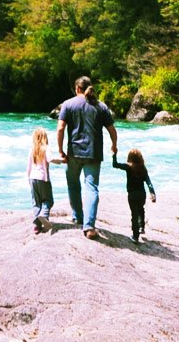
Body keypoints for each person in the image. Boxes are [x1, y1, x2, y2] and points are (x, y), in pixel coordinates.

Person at [55, 76, 117, 239]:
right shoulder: (101, 106)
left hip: (74, 152)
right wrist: (114, 145)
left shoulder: (68, 104)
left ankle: (77, 217)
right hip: (94, 154)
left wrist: (61, 150)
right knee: (92, 188)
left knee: (73, 184)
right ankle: (89, 226)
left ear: (77, 89)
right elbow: (112, 130)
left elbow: (60, 129)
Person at [112, 149, 156, 243]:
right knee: (141, 209)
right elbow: (149, 182)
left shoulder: (128, 167)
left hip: (132, 195)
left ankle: (135, 236)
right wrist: (152, 194)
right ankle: (142, 227)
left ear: (130, 158)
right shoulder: (143, 168)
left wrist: (114, 154)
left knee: (134, 214)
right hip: (142, 194)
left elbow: (114, 165)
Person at [27, 127, 57, 233]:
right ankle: (43, 215)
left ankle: (37, 226)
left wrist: (28, 179)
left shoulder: (32, 149)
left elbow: (28, 167)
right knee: (48, 200)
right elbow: (51, 159)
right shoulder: (46, 148)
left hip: (32, 178)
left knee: (36, 202)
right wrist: (62, 160)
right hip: (43, 179)